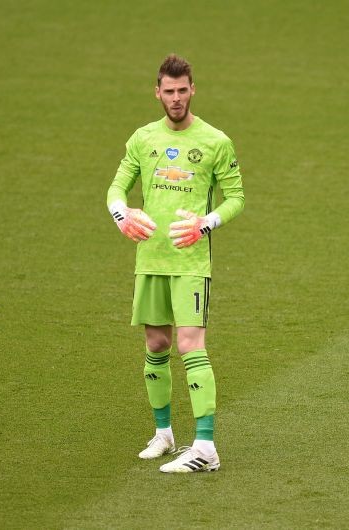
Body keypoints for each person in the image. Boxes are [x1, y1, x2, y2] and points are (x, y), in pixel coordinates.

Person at [106, 54, 245, 473]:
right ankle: (165, 435)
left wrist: (206, 222)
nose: (176, 98)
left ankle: (205, 447)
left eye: (183, 90)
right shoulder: (142, 138)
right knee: (156, 345)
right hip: (149, 259)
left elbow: (237, 197)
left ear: (192, 90)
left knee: (190, 345)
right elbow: (116, 188)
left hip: (190, 262)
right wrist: (121, 215)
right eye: (169, 91)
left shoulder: (216, 141)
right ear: (158, 92)